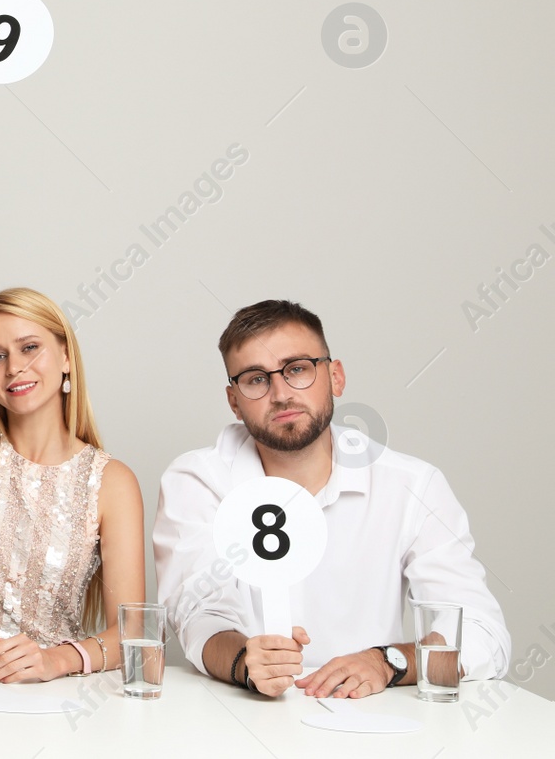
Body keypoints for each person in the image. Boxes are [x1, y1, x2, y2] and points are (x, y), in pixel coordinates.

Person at [154, 299, 511, 698]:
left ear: (336, 377)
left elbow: (484, 635)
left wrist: (387, 661)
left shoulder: (412, 484)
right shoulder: (198, 479)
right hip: (245, 713)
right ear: (234, 401)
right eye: (256, 379)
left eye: (297, 369)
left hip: (374, 716)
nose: (281, 393)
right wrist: (246, 663)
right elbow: (197, 614)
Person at [0, 91, 145, 683]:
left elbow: (133, 633)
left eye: (30, 347)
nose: (15, 366)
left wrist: (56, 659)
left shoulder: (110, 482)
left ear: (65, 357)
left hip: (46, 691)